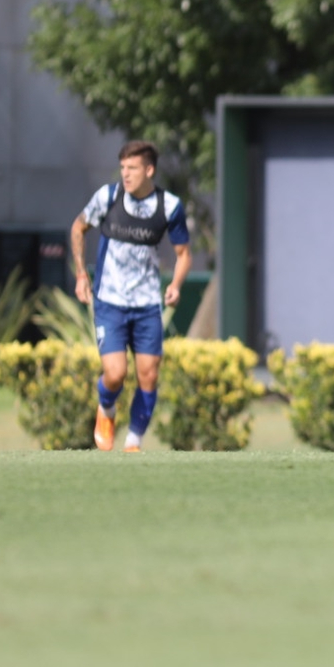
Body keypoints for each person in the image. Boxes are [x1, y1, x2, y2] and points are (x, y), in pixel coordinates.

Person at [71, 141, 192, 452]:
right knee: (115, 374)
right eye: (122, 167)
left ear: (149, 170)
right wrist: (81, 274)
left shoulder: (169, 206)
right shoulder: (108, 197)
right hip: (110, 302)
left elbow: (183, 254)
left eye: (133, 168)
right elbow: (78, 228)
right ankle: (106, 408)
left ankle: (133, 443)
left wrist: (176, 284)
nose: (125, 174)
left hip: (147, 305)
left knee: (148, 375)